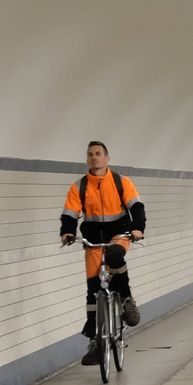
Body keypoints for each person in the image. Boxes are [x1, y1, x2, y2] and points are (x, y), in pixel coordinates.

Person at [59, 141, 146, 365]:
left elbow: (136, 207)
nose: (94, 158)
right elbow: (70, 214)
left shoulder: (121, 182)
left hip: (119, 233)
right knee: (93, 288)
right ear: (87, 159)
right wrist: (67, 232)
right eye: (90, 155)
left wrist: (138, 228)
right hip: (93, 239)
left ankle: (126, 299)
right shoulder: (79, 187)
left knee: (116, 256)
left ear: (107, 158)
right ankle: (95, 341)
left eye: (98, 154)